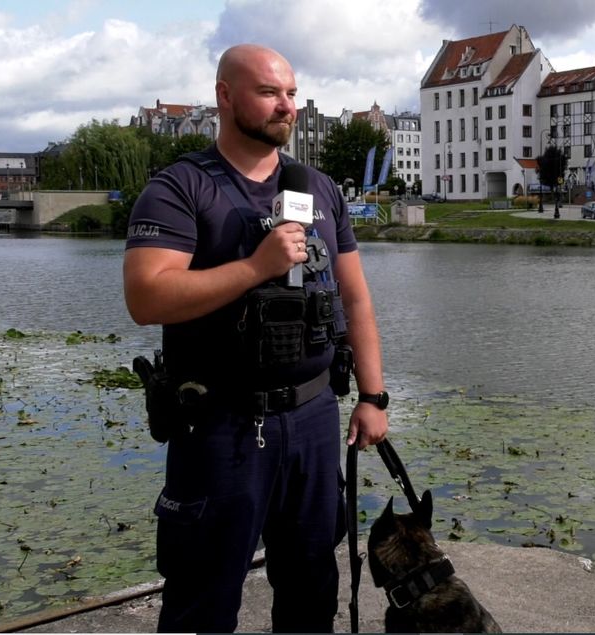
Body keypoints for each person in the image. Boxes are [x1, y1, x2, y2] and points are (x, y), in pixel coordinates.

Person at [123, 43, 389, 633]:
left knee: (311, 588)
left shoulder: (317, 188)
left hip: (315, 418)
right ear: (225, 96)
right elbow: (146, 297)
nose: (286, 106)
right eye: (270, 93)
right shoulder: (180, 188)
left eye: (291, 93)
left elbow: (355, 296)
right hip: (221, 425)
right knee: (203, 598)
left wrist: (373, 395)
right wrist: (255, 267)